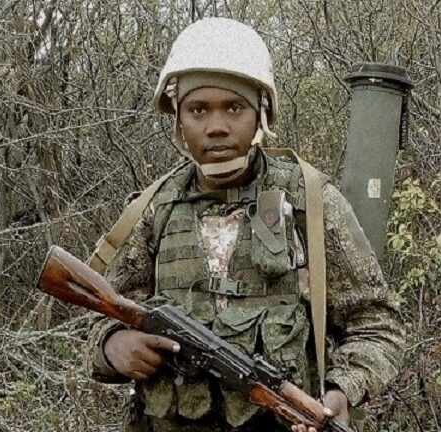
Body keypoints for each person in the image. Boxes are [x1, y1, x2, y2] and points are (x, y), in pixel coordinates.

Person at [86, 17, 404, 432]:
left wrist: (342, 389)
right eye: (198, 110)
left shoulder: (310, 202)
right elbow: (100, 313)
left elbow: (377, 324)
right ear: (178, 118)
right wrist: (113, 346)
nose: (216, 126)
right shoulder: (153, 210)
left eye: (234, 107)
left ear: (261, 114)